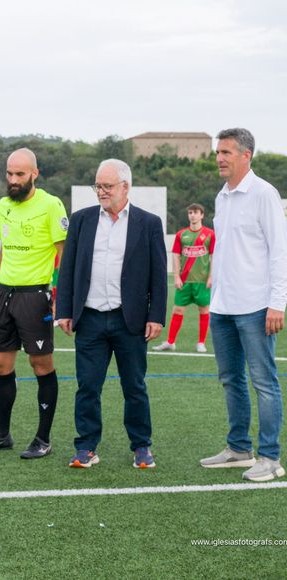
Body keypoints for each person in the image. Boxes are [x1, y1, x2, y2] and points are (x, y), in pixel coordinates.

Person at [56, 158, 167, 469]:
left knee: (134, 386)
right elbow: (68, 270)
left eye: (107, 186)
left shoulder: (148, 223)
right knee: (87, 386)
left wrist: (156, 315)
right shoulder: (81, 220)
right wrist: (64, 309)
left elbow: (159, 274)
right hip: (89, 319)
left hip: (129, 320)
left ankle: (142, 446)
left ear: (125, 187)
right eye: (98, 186)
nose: (101, 192)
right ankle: (86, 447)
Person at [0, 148, 68, 459]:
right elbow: (4, 248)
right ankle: (1, 434)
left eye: (19, 174)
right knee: (0, 364)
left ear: (34, 174)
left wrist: (59, 295)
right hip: (5, 294)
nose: (13, 180)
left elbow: (63, 252)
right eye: (9, 174)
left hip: (35, 295)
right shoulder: (2, 206)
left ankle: (43, 438)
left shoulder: (51, 205)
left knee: (40, 364)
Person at [200, 128, 287, 482]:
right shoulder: (222, 196)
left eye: (226, 152)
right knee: (230, 379)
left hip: (255, 306)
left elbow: (280, 252)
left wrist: (277, 303)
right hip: (222, 306)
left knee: (263, 382)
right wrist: (215, 294)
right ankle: (239, 448)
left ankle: (270, 457)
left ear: (246, 155)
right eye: (217, 152)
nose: (219, 158)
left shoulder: (265, 194)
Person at [153, 203, 214, 353]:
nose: (192, 215)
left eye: (196, 212)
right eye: (190, 212)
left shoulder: (210, 234)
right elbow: (176, 255)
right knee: (177, 310)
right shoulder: (181, 235)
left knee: (204, 310)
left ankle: (201, 343)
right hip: (185, 281)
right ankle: (170, 342)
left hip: (202, 281)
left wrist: (211, 276)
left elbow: (214, 256)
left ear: (202, 215)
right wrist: (177, 277)